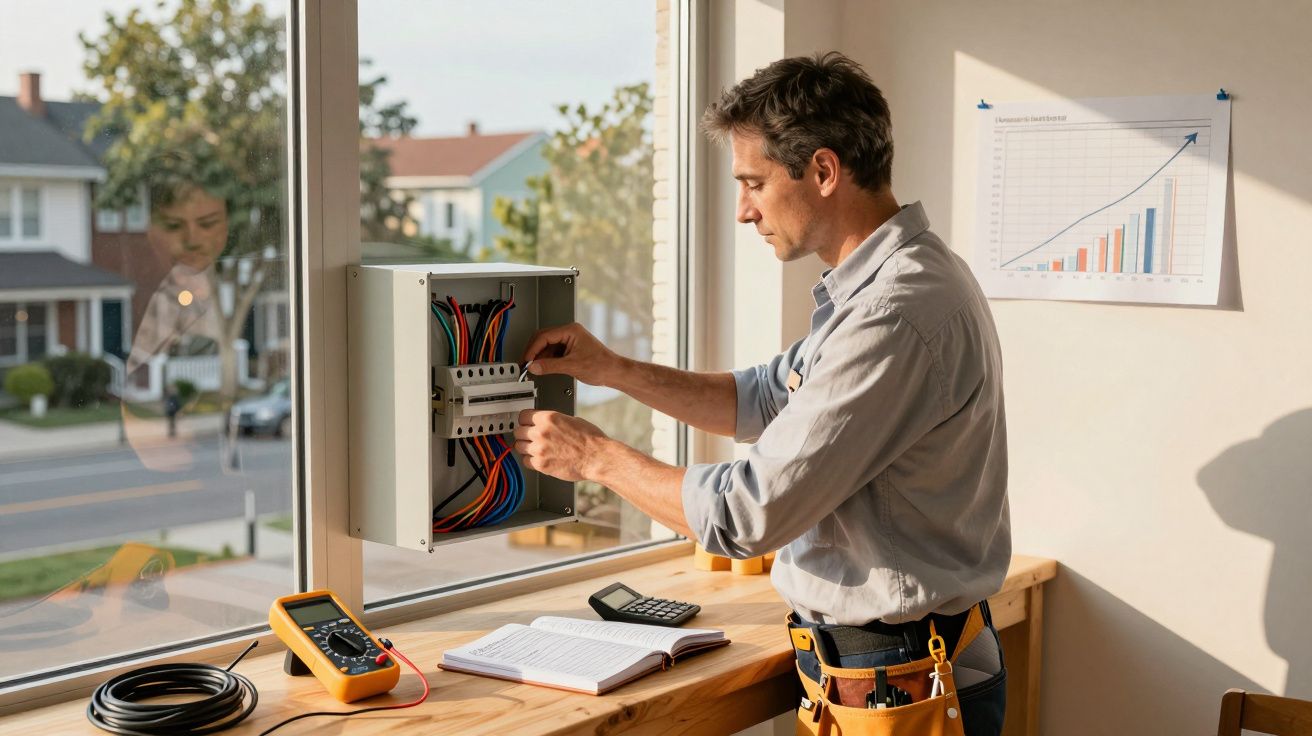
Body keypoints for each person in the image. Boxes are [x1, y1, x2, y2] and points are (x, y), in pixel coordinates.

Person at [513, 52, 1010, 734]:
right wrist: (613, 369)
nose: (743, 210)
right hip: (885, 667)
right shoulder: (889, 284)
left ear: (824, 171)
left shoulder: (893, 314)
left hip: (899, 680)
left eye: (753, 182)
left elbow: (747, 517)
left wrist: (594, 459)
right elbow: (761, 400)